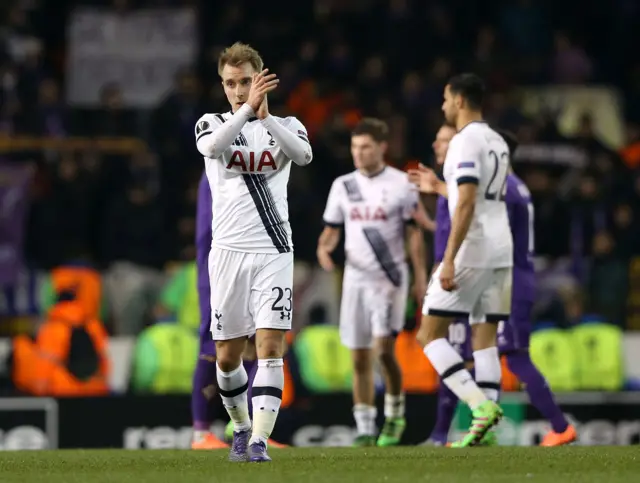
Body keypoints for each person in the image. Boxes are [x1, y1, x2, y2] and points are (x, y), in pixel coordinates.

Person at [411, 129, 577, 447]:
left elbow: (474, 214)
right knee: (478, 347)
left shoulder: (504, 188)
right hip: (495, 274)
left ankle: (557, 425)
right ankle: (473, 429)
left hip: (499, 275)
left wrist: (439, 190)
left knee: (510, 355)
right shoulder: (507, 187)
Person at [194, 42, 312, 462]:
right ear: (222, 86)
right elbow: (211, 149)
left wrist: (266, 118)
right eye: (231, 83)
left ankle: (260, 440)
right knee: (226, 358)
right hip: (227, 253)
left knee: (270, 347)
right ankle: (241, 427)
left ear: (261, 77)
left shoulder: (289, 126)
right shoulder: (210, 123)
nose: (239, 90)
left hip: (274, 251)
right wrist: (247, 113)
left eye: (246, 81)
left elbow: (304, 155)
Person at [412, 73, 511, 447]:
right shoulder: (497, 141)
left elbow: (467, 202)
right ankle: (484, 432)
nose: (442, 106)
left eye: (445, 98)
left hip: (473, 249)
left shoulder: (463, 142)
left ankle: (480, 406)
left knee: (428, 333)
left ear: (458, 100)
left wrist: (449, 258)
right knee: (484, 338)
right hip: (502, 250)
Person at [317, 118, 427, 447]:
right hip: (355, 277)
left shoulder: (402, 184)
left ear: (382, 147)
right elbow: (332, 228)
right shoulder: (343, 185)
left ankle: (394, 413)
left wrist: (420, 276)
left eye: (365, 147)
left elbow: (414, 233)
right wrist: (324, 246)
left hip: (389, 279)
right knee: (359, 356)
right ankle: (365, 427)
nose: (358, 153)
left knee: (383, 352)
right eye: (354, 147)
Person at [190, 172, 288, 450]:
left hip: (255, 263)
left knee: (260, 341)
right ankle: (200, 433)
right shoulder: (216, 171)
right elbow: (209, 232)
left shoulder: (256, 168)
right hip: (220, 269)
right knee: (215, 346)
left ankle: (246, 428)